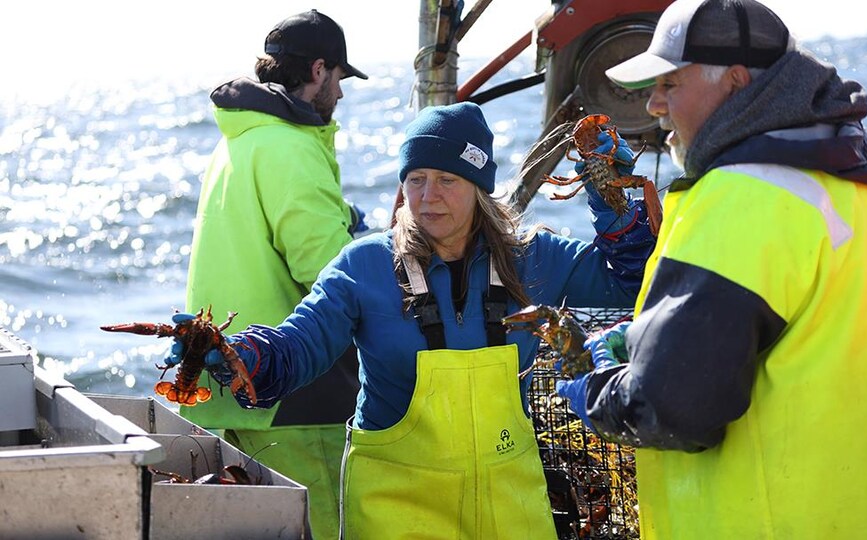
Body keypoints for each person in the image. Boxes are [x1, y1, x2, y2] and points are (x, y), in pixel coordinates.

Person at [555, 0, 867, 538]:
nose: (653, 106)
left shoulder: (740, 196)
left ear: (736, 82)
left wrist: (597, 383)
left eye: (669, 85)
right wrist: (663, 334)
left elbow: (673, 406)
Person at [171, 101, 657, 538]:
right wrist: (241, 355)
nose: (428, 197)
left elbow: (634, 286)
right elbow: (299, 347)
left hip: (512, 504)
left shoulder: (536, 258)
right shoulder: (364, 266)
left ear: (479, 187)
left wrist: (609, 199)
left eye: (447, 180)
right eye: (416, 179)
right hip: (395, 510)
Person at [179, 10, 368, 539]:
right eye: (339, 78)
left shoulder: (238, 140)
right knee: (326, 527)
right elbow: (326, 270)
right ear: (317, 70)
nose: (341, 94)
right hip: (297, 389)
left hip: (230, 383)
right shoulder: (290, 147)